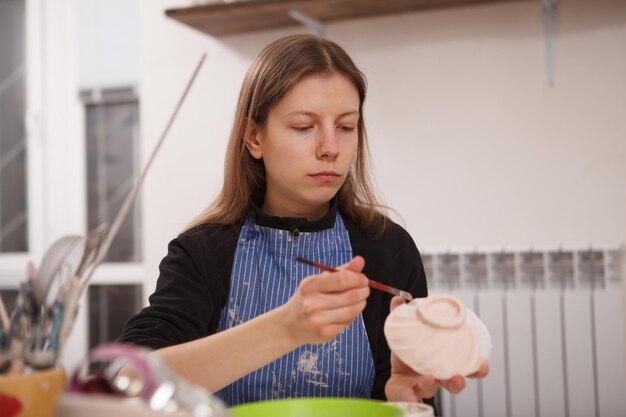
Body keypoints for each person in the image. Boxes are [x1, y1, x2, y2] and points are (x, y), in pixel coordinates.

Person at [118, 34, 487, 407]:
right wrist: (284, 329)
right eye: (303, 126)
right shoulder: (202, 253)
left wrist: (400, 402)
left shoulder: (389, 248)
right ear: (254, 137)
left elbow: (399, 398)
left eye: (345, 127)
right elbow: (127, 380)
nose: (330, 148)